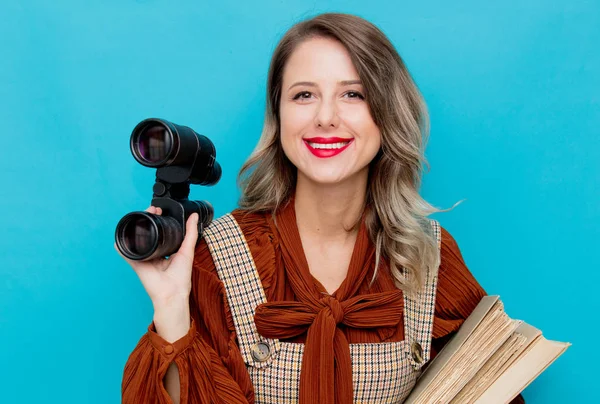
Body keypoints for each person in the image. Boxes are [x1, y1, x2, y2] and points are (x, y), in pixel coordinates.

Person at [117, 13, 525, 404]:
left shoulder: (428, 257)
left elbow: (490, 383)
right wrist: (172, 311)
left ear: (386, 114)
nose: (326, 117)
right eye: (304, 95)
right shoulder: (218, 256)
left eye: (353, 94)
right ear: (279, 115)